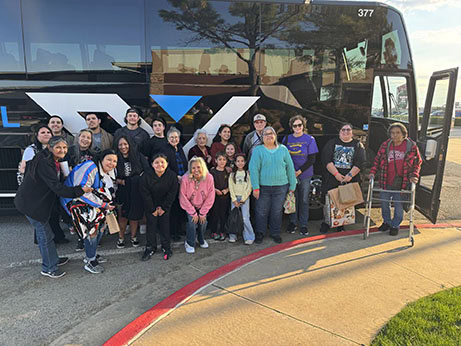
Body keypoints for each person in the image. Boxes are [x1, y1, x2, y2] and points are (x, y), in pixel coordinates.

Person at [14, 136, 90, 278]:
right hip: (32, 205)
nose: (62, 150)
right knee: (45, 236)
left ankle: (52, 259)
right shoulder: (44, 162)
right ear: (50, 147)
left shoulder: (51, 159)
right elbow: (57, 188)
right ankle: (49, 267)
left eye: (64, 147)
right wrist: (80, 190)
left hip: (36, 203)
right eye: (58, 147)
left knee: (47, 234)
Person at [62, 150, 117, 274]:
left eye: (115, 161)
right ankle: (90, 260)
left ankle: (92, 254)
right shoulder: (90, 167)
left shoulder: (107, 170)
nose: (112, 163)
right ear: (101, 159)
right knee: (92, 230)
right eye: (109, 159)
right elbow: (81, 193)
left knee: (101, 227)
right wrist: (103, 205)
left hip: (92, 201)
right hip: (74, 201)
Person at [369, 123, 422, 236]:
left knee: (398, 206)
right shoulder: (385, 145)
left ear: (403, 134)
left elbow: (417, 163)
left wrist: (414, 175)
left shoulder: (411, 146)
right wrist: (372, 172)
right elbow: (377, 160)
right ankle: (387, 222)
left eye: (398, 133)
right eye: (392, 133)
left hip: (402, 183)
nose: (395, 135)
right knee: (384, 204)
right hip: (386, 180)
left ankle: (395, 225)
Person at [249, 126, 296, 244]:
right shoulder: (258, 150)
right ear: (262, 137)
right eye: (266, 134)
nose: (269, 136)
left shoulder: (283, 149)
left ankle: (275, 233)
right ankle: (260, 232)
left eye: (271, 133)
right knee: (261, 211)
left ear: (275, 136)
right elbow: (253, 169)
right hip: (263, 187)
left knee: (276, 211)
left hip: (281, 186)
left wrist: (292, 186)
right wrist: (255, 187)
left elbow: (290, 167)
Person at [320, 123, 366, 234]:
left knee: (346, 203)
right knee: (329, 203)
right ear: (339, 131)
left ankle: (341, 224)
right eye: (343, 129)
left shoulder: (357, 144)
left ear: (352, 131)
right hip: (332, 178)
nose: (346, 132)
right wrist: (336, 174)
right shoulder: (332, 143)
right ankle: (327, 222)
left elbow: (360, 162)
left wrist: (349, 176)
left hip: (349, 179)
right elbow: (326, 159)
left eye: (348, 129)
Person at [283, 115, 319, 236]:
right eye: (295, 125)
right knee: (292, 199)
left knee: (303, 200)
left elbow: (312, 159)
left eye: (300, 125)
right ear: (291, 127)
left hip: (305, 174)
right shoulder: (287, 139)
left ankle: (303, 224)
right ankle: (293, 222)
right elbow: (283, 157)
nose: (297, 127)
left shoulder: (310, 139)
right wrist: (291, 171)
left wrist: (299, 171)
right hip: (290, 174)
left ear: (303, 126)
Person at [139, 154, 178, 261]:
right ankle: (150, 247)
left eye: (162, 162)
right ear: (152, 164)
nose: (159, 165)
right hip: (150, 204)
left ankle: (166, 247)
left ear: (167, 164)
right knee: (151, 225)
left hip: (165, 205)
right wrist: (152, 209)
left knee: (165, 226)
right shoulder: (146, 176)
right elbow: (145, 193)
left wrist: (164, 207)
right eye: (156, 162)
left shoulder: (172, 176)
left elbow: (172, 192)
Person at [114, 135, 150, 249]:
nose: (123, 147)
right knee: (123, 216)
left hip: (136, 190)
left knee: (134, 216)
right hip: (122, 191)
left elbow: (147, 171)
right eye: (120, 145)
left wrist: (133, 181)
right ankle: (121, 237)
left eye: (125, 144)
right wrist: (119, 181)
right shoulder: (115, 157)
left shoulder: (138, 156)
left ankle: (134, 237)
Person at [179, 156, 215, 254]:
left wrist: (203, 213)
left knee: (203, 222)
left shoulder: (209, 177)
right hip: (190, 205)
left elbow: (211, 196)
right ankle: (190, 242)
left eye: (198, 167)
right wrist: (193, 212)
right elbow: (183, 197)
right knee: (192, 222)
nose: (196, 170)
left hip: (203, 205)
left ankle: (201, 238)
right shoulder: (185, 179)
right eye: (193, 168)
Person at [163, 127, 188, 241]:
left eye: (176, 137)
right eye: (172, 137)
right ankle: (173, 232)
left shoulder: (180, 148)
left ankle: (179, 228)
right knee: (173, 208)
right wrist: (175, 176)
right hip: (171, 182)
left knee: (180, 206)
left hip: (182, 182)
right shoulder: (165, 150)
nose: (174, 139)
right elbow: (164, 167)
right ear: (168, 139)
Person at [228, 153, 255, 244]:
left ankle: (249, 236)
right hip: (235, 199)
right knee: (234, 217)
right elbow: (230, 187)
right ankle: (233, 235)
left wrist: (243, 198)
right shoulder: (232, 175)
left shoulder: (247, 174)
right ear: (235, 162)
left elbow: (249, 187)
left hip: (245, 199)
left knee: (245, 218)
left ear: (245, 162)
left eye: (242, 161)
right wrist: (234, 199)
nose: (240, 163)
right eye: (238, 161)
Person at [209, 152, 230, 241]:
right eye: (220, 159)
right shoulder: (212, 171)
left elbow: (231, 184)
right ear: (216, 160)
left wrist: (227, 190)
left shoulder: (228, 171)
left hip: (225, 198)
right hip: (214, 197)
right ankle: (213, 231)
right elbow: (209, 185)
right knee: (214, 215)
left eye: (224, 160)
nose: (222, 162)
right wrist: (215, 190)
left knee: (223, 215)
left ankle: (222, 231)